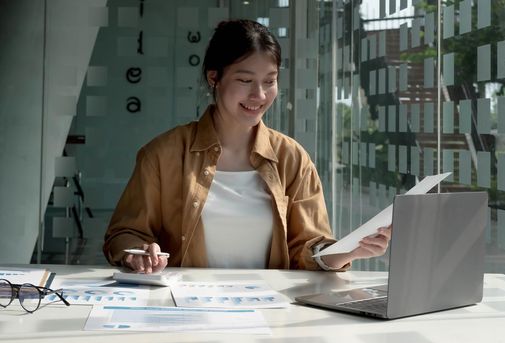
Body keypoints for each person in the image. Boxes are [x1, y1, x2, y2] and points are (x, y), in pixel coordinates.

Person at [103, 19, 391, 274]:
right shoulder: (162, 154)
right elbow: (124, 233)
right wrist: (139, 253)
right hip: (183, 309)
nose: (259, 94)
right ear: (214, 77)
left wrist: (350, 251)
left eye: (270, 81)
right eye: (245, 80)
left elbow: (308, 248)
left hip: (266, 313)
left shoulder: (291, 158)